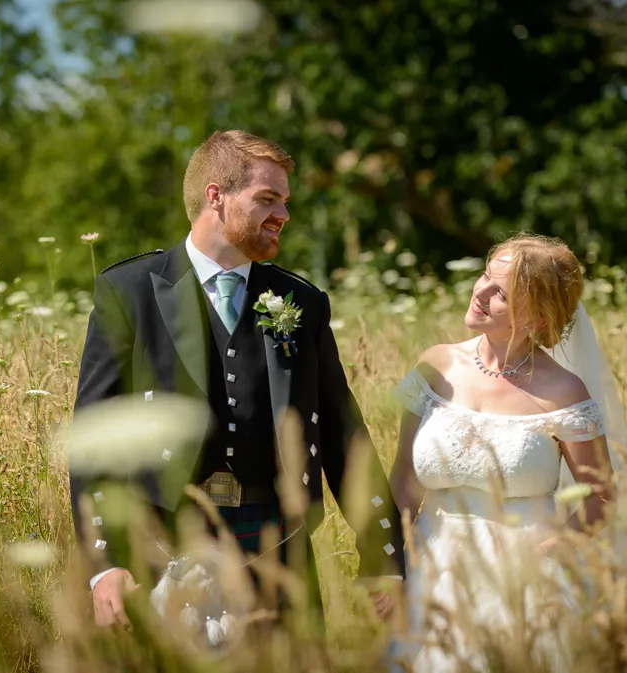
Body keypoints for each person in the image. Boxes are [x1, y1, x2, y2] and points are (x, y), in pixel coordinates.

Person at [69, 129, 406, 631]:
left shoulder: (301, 302)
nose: (283, 214)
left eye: (285, 201)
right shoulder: (130, 291)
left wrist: (382, 554)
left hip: (275, 545)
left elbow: (343, 434)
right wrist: (105, 562)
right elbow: (96, 436)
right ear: (216, 196)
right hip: (159, 545)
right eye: (268, 198)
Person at [386, 233, 627, 672]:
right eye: (485, 276)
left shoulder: (564, 392)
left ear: (539, 318)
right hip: (432, 569)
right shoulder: (436, 366)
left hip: (522, 582)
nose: (480, 292)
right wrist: (390, 565)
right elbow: (405, 479)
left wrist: (546, 554)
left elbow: (600, 496)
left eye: (500, 293)